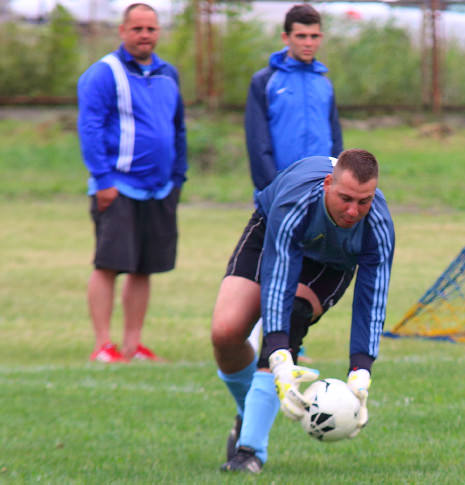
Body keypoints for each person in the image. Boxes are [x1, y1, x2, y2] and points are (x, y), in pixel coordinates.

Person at [211, 149, 395, 473]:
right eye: (346, 198)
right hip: (274, 232)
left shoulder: (377, 226)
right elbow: (278, 278)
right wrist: (282, 359)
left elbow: (372, 299)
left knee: (293, 315)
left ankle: (249, 451)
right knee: (226, 333)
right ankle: (253, 407)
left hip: (331, 264)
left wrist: (361, 370)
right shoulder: (296, 203)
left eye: (364, 201)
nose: (354, 211)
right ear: (328, 184)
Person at [77, 3, 187, 363]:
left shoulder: (168, 73)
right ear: (122, 31)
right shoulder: (104, 73)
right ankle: (103, 346)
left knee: (144, 267)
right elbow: (90, 127)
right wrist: (103, 179)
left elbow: (178, 129)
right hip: (118, 186)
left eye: (151, 29)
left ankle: (133, 345)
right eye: (137, 29)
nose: (145, 35)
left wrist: (177, 178)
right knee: (109, 264)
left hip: (159, 189)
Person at [244, 3, 344, 362]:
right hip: (280, 198)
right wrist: (274, 192)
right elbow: (258, 144)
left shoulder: (323, 83)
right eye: (301, 36)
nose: (308, 42)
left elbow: (335, 144)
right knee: (272, 270)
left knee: (304, 274)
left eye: (314, 36)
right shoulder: (265, 81)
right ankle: (262, 341)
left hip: (320, 200)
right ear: (285, 37)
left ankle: (289, 343)